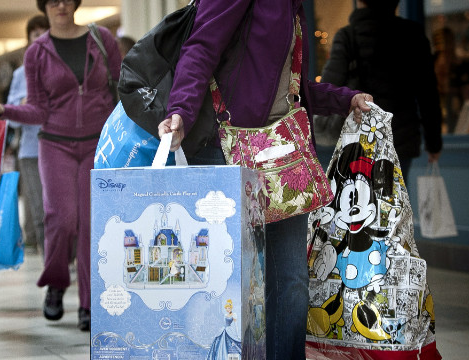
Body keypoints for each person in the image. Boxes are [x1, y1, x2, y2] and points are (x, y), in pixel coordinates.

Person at [157, 1, 373, 358]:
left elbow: (293, 89)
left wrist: (346, 98)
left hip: (281, 157)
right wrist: (180, 109)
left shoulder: (293, 5)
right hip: (223, 151)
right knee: (222, 286)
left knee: (290, 284)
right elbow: (200, 48)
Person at [0, 0, 121, 331]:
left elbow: (123, 85)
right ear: (44, 6)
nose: (60, 5)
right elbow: (38, 109)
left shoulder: (102, 39)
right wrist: (3, 109)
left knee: (90, 224)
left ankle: (88, 303)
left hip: (99, 143)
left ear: (76, 3)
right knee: (61, 219)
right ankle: (56, 282)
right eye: (52, 0)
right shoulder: (36, 53)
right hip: (55, 143)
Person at [321, 0, 443, 180]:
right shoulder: (412, 34)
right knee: (394, 204)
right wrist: (434, 143)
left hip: (358, 140)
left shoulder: (348, 37)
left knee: (360, 203)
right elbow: (428, 95)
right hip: (400, 139)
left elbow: (330, 90)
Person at [6, 14, 50, 256]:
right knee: (39, 208)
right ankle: (51, 261)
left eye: (46, 32)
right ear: (28, 40)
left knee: (64, 209)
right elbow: (11, 118)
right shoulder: (20, 74)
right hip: (31, 150)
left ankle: (69, 256)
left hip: (62, 146)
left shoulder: (64, 68)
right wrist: (25, 105)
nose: (42, 38)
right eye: (36, 34)